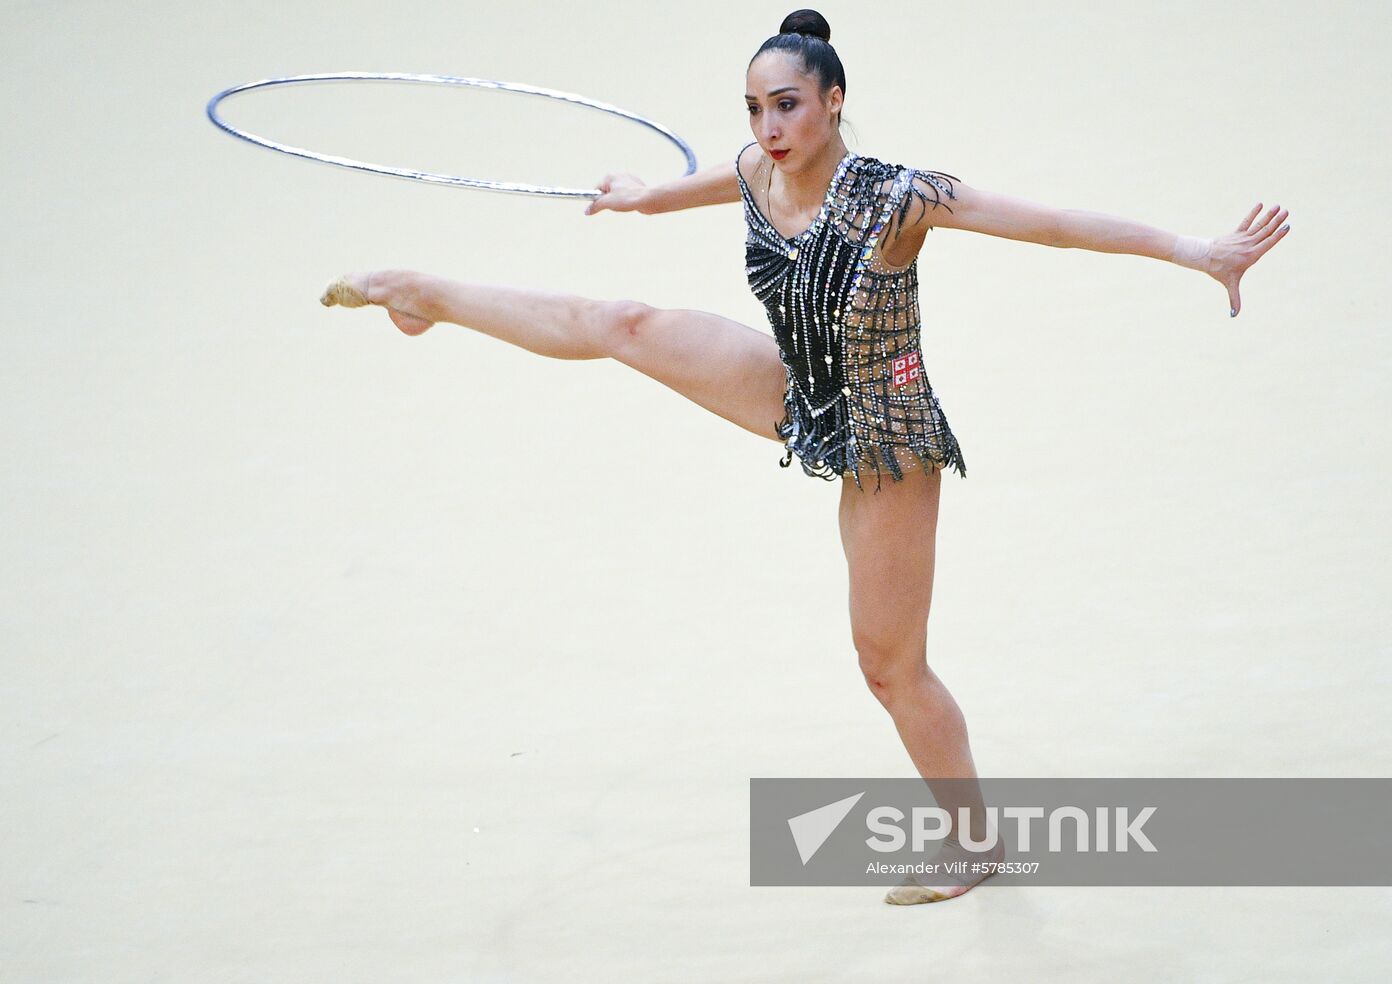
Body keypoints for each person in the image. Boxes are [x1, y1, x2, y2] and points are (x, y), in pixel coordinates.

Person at [319, 8, 1289, 904]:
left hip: (883, 432)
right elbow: (694, 189)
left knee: (888, 667)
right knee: (622, 321)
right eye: (754, 108)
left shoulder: (901, 197)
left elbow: (1053, 226)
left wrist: (1194, 250)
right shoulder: (755, 168)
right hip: (793, 386)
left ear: (832, 102)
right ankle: (422, 296)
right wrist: (639, 195)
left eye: (786, 104)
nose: (769, 125)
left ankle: (975, 845)